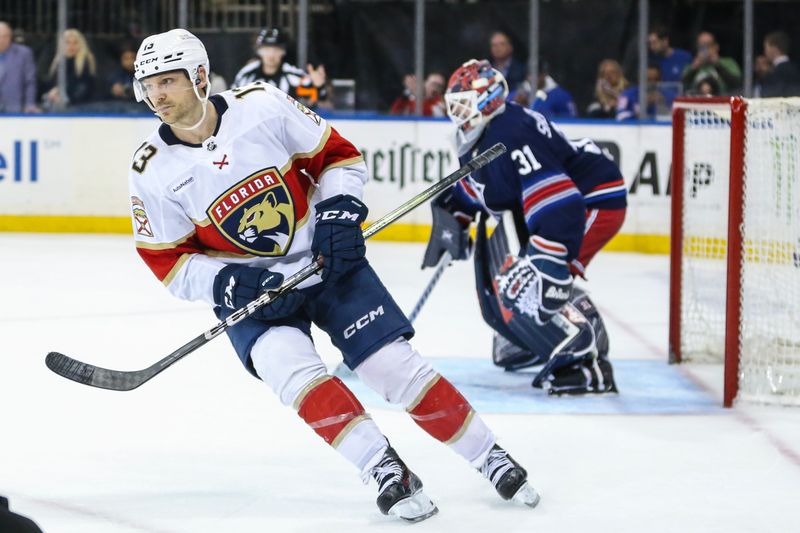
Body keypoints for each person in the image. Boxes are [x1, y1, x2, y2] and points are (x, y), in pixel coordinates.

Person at [128, 29, 539, 523]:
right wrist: (226, 285)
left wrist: (340, 213)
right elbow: (167, 260)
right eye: (149, 85)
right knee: (289, 369)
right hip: (253, 294)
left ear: (199, 76)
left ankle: (488, 454)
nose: (157, 96)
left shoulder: (262, 105)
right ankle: (384, 468)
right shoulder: (149, 168)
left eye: (168, 81)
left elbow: (338, 157)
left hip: (325, 261)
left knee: (391, 367)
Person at [427, 59, 626, 394]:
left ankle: (589, 361)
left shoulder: (512, 133)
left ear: (487, 101)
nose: (457, 115)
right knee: (514, 275)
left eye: (463, 105)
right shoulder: (486, 132)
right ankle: (528, 335)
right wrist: (456, 212)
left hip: (594, 201)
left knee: (537, 281)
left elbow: (559, 200)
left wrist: (545, 261)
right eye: (454, 106)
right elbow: (490, 188)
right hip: (569, 203)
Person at [232, 27, 327, 109]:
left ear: (283, 52)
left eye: (276, 50)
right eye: (266, 49)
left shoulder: (293, 76)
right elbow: (233, 101)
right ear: (258, 52)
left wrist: (319, 86)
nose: (271, 55)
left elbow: (317, 99)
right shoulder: (246, 75)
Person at [44, 28, 97, 108]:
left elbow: (84, 88)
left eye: (75, 43)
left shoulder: (85, 61)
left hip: (82, 106)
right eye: (67, 43)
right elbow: (51, 83)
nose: (71, 46)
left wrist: (62, 94)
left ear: (80, 45)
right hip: (59, 103)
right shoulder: (59, 61)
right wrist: (52, 93)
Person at [681, 31, 741, 95]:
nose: (705, 49)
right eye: (701, 46)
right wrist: (694, 68)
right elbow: (683, 84)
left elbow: (736, 83)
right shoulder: (691, 66)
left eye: (708, 45)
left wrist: (717, 65)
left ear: (716, 46)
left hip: (722, 101)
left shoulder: (728, 62)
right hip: (697, 102)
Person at [0, 21, 39, 113]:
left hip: (15, 108)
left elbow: (30, 81)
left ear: (10, 37)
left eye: (4, 36)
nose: (1, 40)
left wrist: (29, 104)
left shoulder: (24, 53)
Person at [761, 31, 800, 97]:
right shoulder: (795, 68)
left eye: (766, 47)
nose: (764, 51)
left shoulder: (777, 72)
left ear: (774, 48)